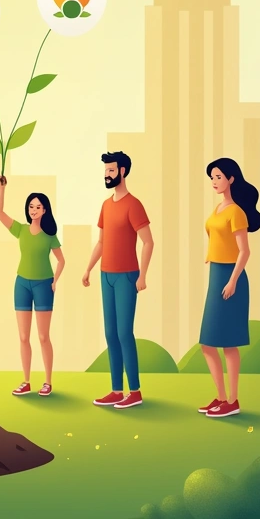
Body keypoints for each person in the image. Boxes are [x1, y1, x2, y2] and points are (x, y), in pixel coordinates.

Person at [82, 151, 154, 410]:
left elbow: (148, 241)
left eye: (111, 170)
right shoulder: (105, 205)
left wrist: (143, 275)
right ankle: (116, 390)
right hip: (105, 275)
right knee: (110, 333)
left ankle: (134, 391)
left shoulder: (133, 205)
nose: (107, 174)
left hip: (126, 276)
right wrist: (89, 268)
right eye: (105, 170)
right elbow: (101, 241)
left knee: (124, 332)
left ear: (122, 171)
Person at [198, 158, 260, 419]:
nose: (214, 181)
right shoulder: (218, 208)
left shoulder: (236, 212)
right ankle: (221, 397)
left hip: (229, 277)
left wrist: (233, 280)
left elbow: (244, 251)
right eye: (212, 177)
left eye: (218, 177)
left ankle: (233, 400)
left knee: (228, 344)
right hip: (216, 275)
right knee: (208, 343)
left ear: (231, 179)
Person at [0, 176, 65, 397]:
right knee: (23, 337)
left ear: (45, 210)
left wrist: (55, 280)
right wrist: (1, 189)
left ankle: (47, 381)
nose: (34, 209)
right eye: (31, 206)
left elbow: (62, 260)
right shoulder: (21, 230)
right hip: (22, 284)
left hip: (44, 285)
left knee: (43, 337)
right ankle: (26, 381)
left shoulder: (50, 235)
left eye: (38, 207)